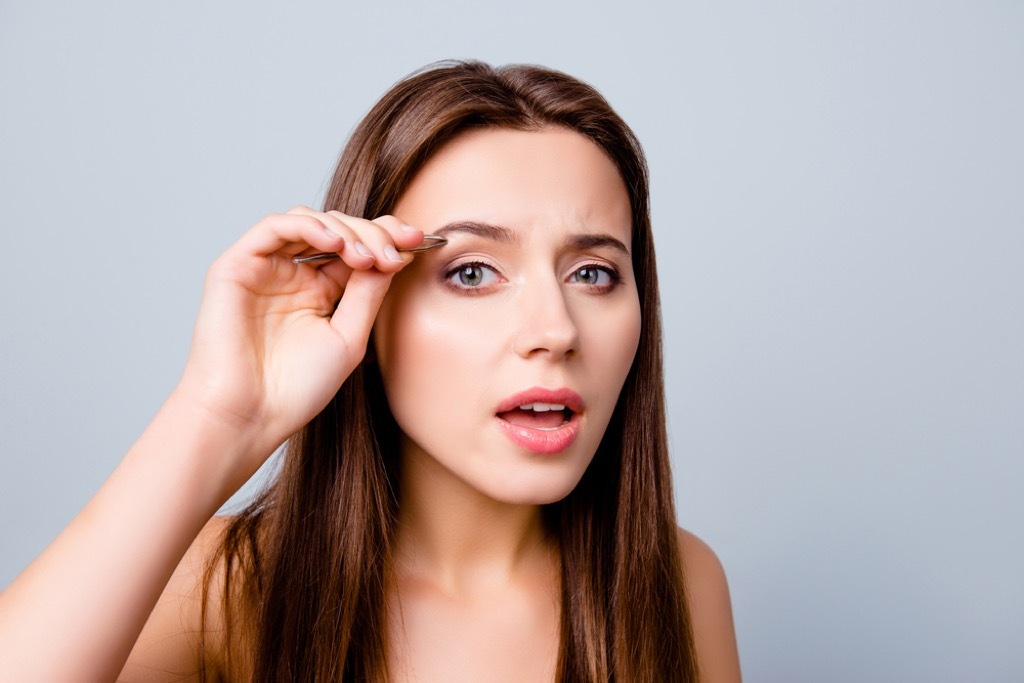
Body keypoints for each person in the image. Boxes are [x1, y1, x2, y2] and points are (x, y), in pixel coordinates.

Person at [0, 61, 741, 682]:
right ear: (368, 302)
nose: (555, 330)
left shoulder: (679, 582)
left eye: (593, 272)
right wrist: (215, 417)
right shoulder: (228, 587)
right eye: (475, 271)